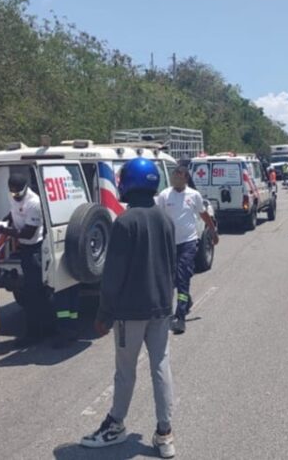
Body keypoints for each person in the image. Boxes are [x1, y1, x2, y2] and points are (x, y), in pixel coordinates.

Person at [81, 158, 177, 458]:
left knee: (125, 371)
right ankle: (165, 434)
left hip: (130, 312)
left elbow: (113, 274)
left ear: (129, 182)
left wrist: (103, 313)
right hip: (161, 306)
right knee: (160, 367)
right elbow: (172, 264)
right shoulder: (165, 219)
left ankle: (115, 425)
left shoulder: (124, 221)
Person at [0, 173, 57, 347]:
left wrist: (0, 229)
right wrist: (4, 222)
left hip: (34, 250)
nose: (14, 195)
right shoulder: (14, 195)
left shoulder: (34, 203)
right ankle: (44, 330)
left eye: (17, 192)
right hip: (24, 250)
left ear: (25, 188)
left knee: (34, 295)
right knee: (33, 295)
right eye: (12, 192)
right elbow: (13, 212)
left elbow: (28, 234)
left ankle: (36, 334)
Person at [156, 166, 218, 335]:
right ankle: (187, 300)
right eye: (173, 176)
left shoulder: (193, 195)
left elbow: (203, 214)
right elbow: (158, 218)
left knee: (183, 277)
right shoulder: (164, 196)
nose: (175, 178)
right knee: (172, 278)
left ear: (185, 178)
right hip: (169, 244)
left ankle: (180, 316)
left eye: (178, 176)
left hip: (188, 242)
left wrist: (213, 231)